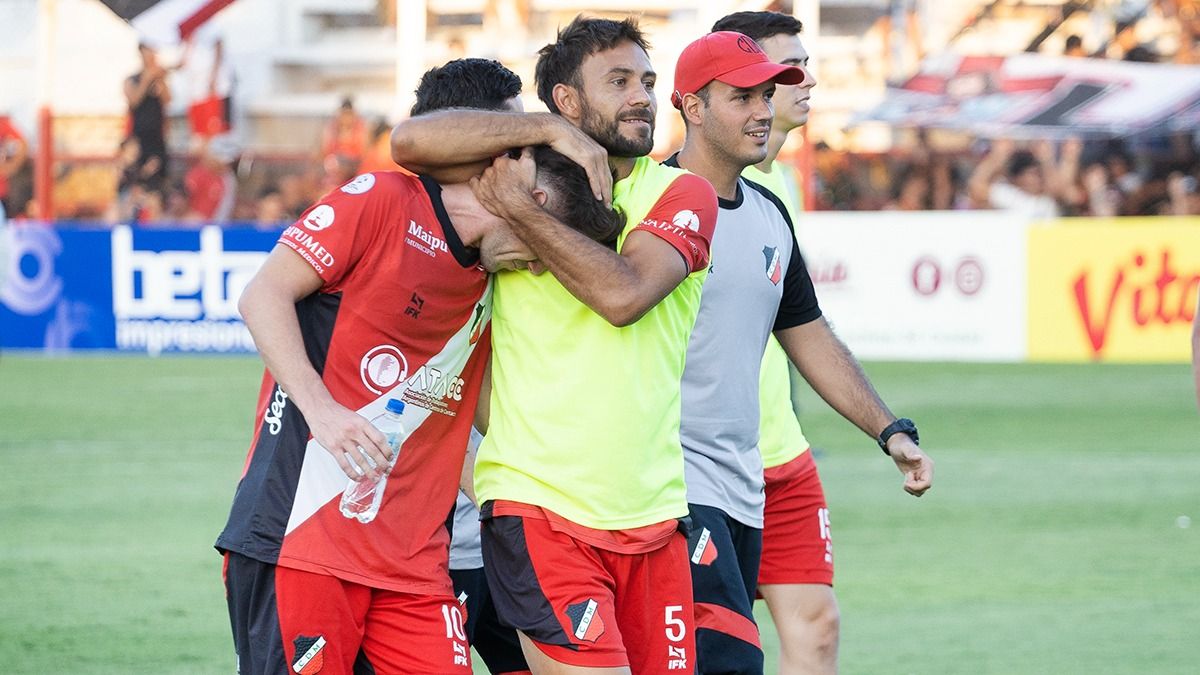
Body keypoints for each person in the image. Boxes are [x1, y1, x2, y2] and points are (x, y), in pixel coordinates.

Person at [214, 144, 624, 673]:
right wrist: (323, 411)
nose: (538, 268)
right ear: (533, 203)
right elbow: (261, 296)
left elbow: (471, 421)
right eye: (545, 250)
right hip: (301, 542)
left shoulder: (488, 283)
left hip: (415, 564)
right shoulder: (386, 200)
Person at [391, 15, 719, 674]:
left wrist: (521, 212)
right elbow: (409, 141)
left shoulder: (682, 192)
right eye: (619, 81)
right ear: (566, 100)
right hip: (539, 510)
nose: (642, 97)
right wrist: (542, 132)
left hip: (654, 511)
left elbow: (623, 296)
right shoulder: (518, 168)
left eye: (647, 81)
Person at [667, 28, 934, 674]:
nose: (763, 110)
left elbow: (808, 331)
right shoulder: (641, 201)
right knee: (729, 656)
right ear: (693, 107)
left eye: (767, 95)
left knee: (791, 636)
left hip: (744, 480)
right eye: (743, 97)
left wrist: (889, 430)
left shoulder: (767, 212)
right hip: (670, 481)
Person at [709, 11, 840, 673]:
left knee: (817, 628)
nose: (805, 79)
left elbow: (801, 325)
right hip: (704, 459)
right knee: (720, 647)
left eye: (804, 65)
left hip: (781, 452)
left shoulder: (775, 182)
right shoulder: (689, 188)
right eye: (789, 69)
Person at [408, 55, 531, 675]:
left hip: (494, 538)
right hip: (434, 548)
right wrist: (505, 506)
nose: (521, 161)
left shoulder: (510, 236)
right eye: (508, 143)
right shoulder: (397, 242)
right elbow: (422, 399)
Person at [124, 43, 171, 197]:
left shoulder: (159, 79)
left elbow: (167, 100)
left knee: (157, 185)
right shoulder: (132, 79)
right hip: (138, 139)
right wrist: (146, 79)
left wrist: (160, 79)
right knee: (136, 183)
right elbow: (133, 101)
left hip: (157, 140)